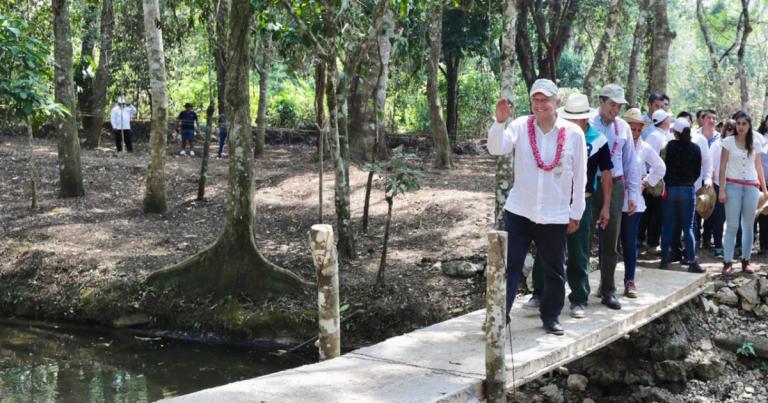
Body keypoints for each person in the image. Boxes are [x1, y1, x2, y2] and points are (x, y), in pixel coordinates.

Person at [487, 79, 587, 335]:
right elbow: (496, 147)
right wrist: (500, 123)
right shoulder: (520, 125)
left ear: (557, 102)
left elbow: (580, 176)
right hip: (520, 210)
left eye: (545, 100)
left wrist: (575, 213)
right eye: (535, 100)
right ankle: (499, 317)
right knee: (510, 267)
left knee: (555, 270)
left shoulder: (574, 133)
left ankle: (551, 316)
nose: (540, 105)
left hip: (555, 214)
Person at [528, 93, 612, 319]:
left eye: (579, 119)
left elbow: (606, 174)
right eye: (570, 118)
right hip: (555, 199)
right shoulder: (558, 134)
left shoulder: (598, 141)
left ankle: (578, 298)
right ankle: (539, 292)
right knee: (546, 247)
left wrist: (605, 206)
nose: (574, 123)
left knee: (578, 250)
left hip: (582, 200)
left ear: (586, 120)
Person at [590, 84, 638, 310]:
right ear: (601, 101)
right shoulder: (587, 123)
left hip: (616, 185)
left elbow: (630, 162)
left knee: (611, 240)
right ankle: (577, 291)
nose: (615, 110)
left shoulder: (624, 128)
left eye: (619, 106)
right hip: (590, 184)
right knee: (582, 236)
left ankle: (608, 289)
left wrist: (633, 194)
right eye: (612, 104)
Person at [621, 108, 665, 297]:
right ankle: (605, 283)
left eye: (638, 129)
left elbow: (660, 167)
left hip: (634, 201)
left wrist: (646, 182)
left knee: (630, 241)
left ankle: (630, 280)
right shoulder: (616, 144)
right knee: (610, 243)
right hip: (613, 198)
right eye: (632, 129)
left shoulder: (645, 148)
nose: (635, 133)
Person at [718, 111, 767, 275]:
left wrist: (765, 189)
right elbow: (723, 166)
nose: (740, 127)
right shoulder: (728, 142)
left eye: (744, 124)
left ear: (749, 125)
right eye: (738, 123)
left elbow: (758, 166)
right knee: (732, 226)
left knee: (748, 226)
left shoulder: (756, 142)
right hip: (733, 186)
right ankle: (727, 262)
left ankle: (746, 261)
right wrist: (722, 190)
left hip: (752, 186)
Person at [660, 118, 704, 272]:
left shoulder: (670, 146)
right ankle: (692, 261)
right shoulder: (695, 148)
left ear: (676, 132)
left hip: (670, 189)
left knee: (667, 226)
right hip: (688, 190)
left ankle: (664, 260)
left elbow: (662, 165)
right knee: (688, 228)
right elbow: (698, 171)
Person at [638, 109, 671, 251]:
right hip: (652, 178)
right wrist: (649, 178)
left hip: (660, 178)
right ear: (664, 121)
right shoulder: (654, 136)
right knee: (650, 212)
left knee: (657, 212)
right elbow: (648, 159)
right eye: (668, 118)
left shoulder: (665, 135)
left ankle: (651, 241)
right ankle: (643, 240)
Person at [705, 119, 735, 258]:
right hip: (719, 185)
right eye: (729, 129)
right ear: (724, 130)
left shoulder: (739, 145)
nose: (731, 132)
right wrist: (710, 180)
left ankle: (732, 246)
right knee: (719, 217)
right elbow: (710, 164)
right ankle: (717, 245)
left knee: (733, 218)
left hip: (735, 185)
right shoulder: (717, 145)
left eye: (733, 130)